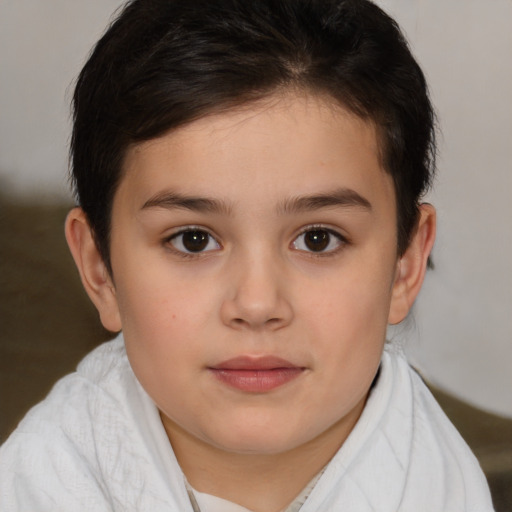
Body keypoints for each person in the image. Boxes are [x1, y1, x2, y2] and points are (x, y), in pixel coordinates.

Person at [0, 0, 494, 510]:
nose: (257, 304)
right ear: (100, 269)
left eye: (318, 239)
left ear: (405, 266)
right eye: (193, 240)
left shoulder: (443, 485)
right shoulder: (40, 481)